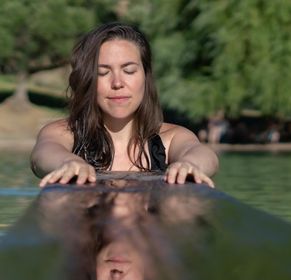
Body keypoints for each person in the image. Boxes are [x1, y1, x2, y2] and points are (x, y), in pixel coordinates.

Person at [31, 23, 218, 188]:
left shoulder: (171, 139)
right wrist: (68, 162)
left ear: (145, 76)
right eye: (103, 73)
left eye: (128, 71)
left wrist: (190, 164)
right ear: (87, 80)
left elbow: (201, 153)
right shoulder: (65, 133)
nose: (117, 83)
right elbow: (43, 154)